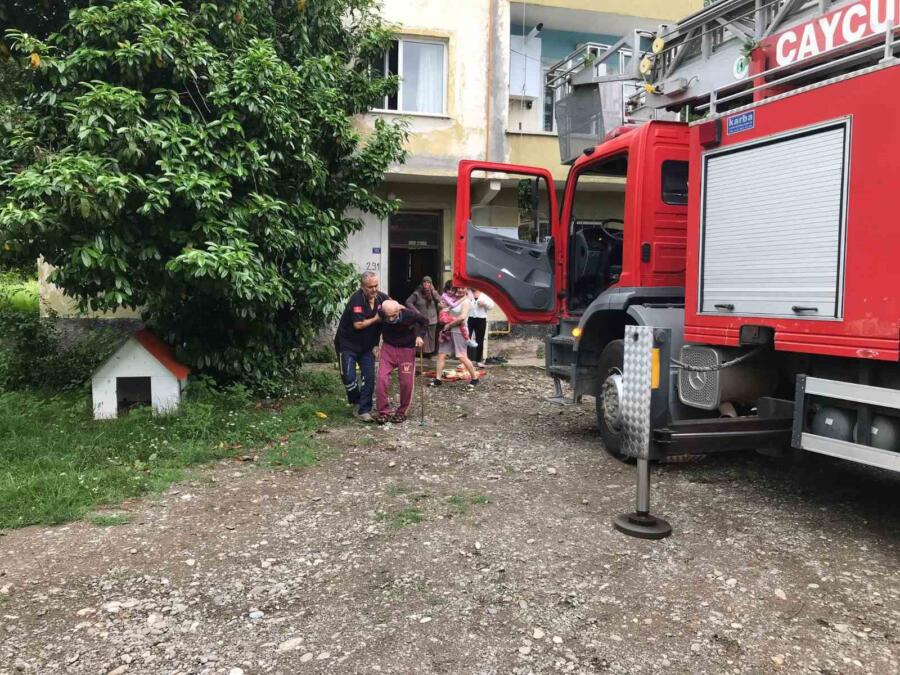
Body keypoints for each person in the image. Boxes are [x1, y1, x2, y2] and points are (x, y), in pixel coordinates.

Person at [335, 271, 388, 422]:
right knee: (349, 377)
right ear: (362, 287)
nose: (374, 289)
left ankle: (364, 410)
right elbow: (358, 325)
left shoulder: (381, 298)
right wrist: (376, 318)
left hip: (367, 346)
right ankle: (356, 401)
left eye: (376, 285)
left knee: (369, 377)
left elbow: (394, 306)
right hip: (347, 345)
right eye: (370, 287)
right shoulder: (356, 299)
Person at [375, 299, 428, 424]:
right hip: (388, 348)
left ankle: (402, 412)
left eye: (394, 315)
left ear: (399, 310)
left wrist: (420, 336)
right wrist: (375, 344)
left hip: (406, 349)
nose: (391, 319)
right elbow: (377, 327)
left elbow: (425, 321)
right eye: (388, 316)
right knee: (381, 378)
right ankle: (383, 412)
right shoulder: (382, 313)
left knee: (406, 382)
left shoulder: (409, 315)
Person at [432, 286, 480, 388]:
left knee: (461, 356)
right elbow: (444, 310)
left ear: (466, 289)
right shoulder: (452, 299)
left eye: (463, 288)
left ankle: (475, 378)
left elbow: (462, 317)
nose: (460, 290)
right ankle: (438, 379)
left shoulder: (466, 301)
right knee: (441, 354)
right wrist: (440, 307)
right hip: (447, 331)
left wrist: (449, 324)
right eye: (458, 288)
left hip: (459, 331)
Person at [405, 276, 442, 355]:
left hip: (432, 319)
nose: (426, 284)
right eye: (424, 282)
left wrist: (434, 292)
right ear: (422, 283)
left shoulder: (433, 293)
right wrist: (416, 311)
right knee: (421, 337)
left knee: (431, 338)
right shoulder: (417, 293)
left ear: (431, 284)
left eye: (428, 282)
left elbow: (441, 301)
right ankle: (420, 354)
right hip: (421, 319)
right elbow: (408, 302)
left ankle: (430, 354)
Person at [467, 289, 494, 368]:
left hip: (481, 319)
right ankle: (466, 360)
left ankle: (478, 360)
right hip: (470, 318)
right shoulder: (468, 292)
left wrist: (484, 304)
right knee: (466, 339)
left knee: (480, 340)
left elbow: (491, 306)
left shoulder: (485, 293)